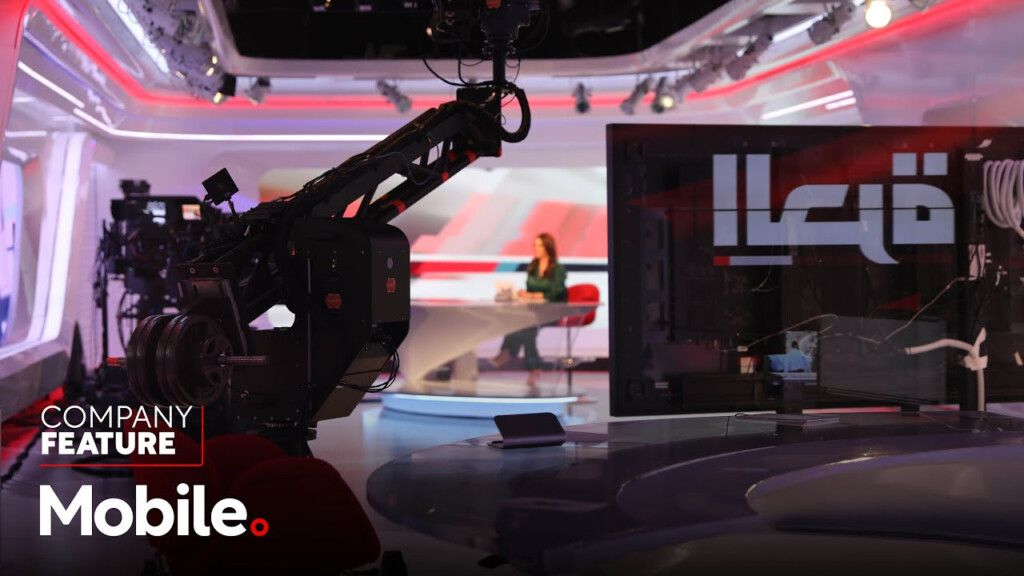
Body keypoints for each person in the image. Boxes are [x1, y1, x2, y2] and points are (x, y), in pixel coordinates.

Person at [490, 232, 567, 391]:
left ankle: (508, 353)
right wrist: (523, 294)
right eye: (535, 245)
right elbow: (531, 289)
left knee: (527, 325)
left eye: (540, 245)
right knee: (521, 322)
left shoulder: (558, 269)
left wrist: (532, 295)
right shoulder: (534, 266)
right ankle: (533, 367)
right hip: (534, 309)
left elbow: (555, 293)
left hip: (552, 311)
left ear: (548, 247)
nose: (536, 248)